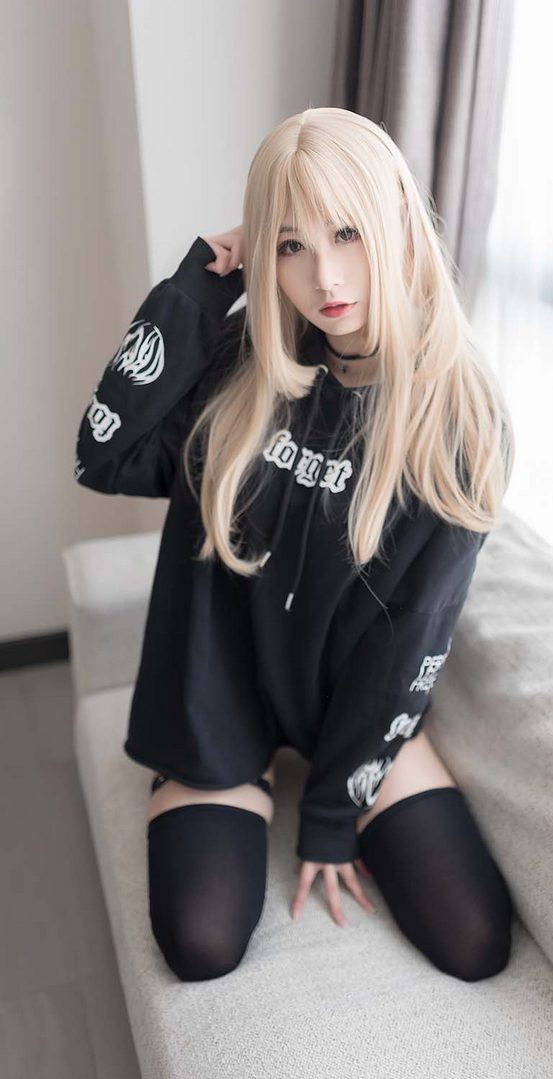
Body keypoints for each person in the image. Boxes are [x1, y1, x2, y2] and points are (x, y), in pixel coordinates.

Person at [74, 106, 516, 983]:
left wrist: (331, 813)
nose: (325, 277)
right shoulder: (246, 360)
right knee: (201, 942)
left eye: (347, 232)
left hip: (349, 698)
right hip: (220, 691)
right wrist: (197, 289)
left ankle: (310, 771)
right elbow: (104, 453)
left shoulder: (459, 420)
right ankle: (242, 776)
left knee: (475, 940)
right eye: (290, 245)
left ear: (397, 220)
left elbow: (407, 640)